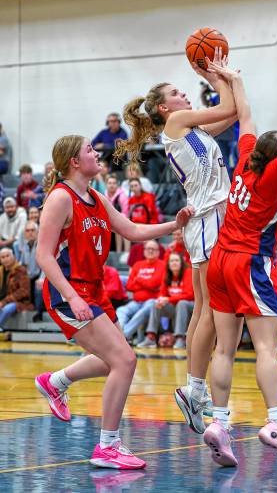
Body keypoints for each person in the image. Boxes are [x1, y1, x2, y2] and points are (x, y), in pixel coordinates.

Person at [34, 135, 193, 470]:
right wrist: (72, 296)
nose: (97, 153)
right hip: (70, 292)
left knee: (111, 362)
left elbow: (132, 230)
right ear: (74, 162)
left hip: (94, 289)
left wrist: (174, 226)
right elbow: (43, 256)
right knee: (126, 360)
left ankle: (56, 381)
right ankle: (107, 446)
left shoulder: (95, 196)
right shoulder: (61, 198)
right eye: (89, 150)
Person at [201, 55, 277, 470]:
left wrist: (234, 79)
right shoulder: (270, 179)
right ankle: (276, 423)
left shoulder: (245, 158)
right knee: (267, 346)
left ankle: (218, 422)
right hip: (249, 262)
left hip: (219, 260)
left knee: (225, 349)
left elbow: (245, 116)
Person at [114, 48, 237, 425]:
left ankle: (192, 388)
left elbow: (231, 114)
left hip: (206, 219)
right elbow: (227, 105)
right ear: (165, 109)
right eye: (177, 93)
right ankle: (195, 389)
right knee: (213, 313)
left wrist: (219, 79)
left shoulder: (188, 129)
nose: (184, 95)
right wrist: (217, 76)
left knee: (204, 311)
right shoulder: (179, 122)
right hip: (209, 219)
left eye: (183, 92)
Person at [138, 252, 194, 349]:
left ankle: (180, 338)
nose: (174, 263)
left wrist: (168, 299)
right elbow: (162, 292)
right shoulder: (167, 274)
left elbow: (189, 295)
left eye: (177, 260)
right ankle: (151, 337)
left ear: (181, 262)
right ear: (168, 264)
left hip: (190, 306)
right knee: (155, 304)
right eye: (172, 261)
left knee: (182, 303)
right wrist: (160, 299)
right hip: (174, 307)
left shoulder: (188, 272)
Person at [116, 240, 164, 342]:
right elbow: (129, 285)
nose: (150, 251)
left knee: (146, 309)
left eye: (153, 249)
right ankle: (119, 335)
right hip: (136, 301)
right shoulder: (137, 264)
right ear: (144, 251)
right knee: (121, 311)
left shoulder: (162, 265)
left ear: (158, 252)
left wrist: (138, 280)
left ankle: (124, 336)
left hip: (152, 301)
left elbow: (154, 283)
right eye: (148, 249)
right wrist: (147, 284)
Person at [0, 247, 33, 331]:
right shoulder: (0, 271)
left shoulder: (21, 270)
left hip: (20, 303)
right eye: (2, 257)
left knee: (7, 309)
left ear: (13, 256)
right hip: (2, 301)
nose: (5, 259)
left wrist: (4, 302)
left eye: (7, 256)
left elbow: (24, 291)